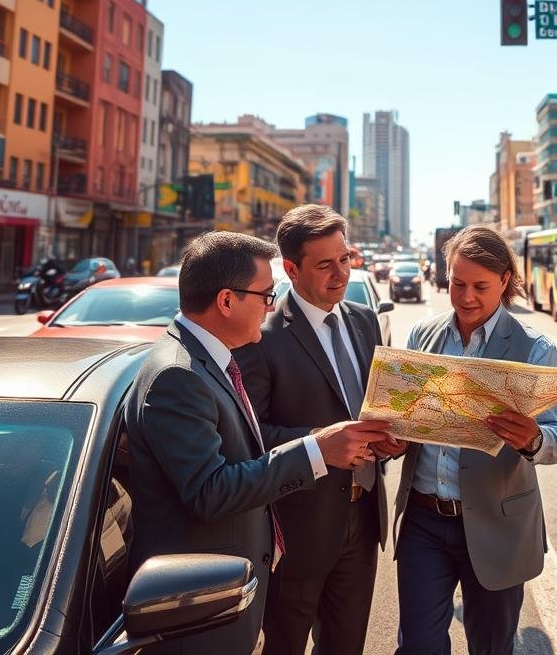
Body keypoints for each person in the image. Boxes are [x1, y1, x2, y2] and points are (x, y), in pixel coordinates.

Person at [125, 230, 390, 655]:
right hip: (200, 595)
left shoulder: (209, 358)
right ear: (227, 301)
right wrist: (316, 450)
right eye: (265, 295)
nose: (270, 307)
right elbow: (209, 492)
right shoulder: (178, 375)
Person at [392, 225, 557, 655]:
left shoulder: (535, 348)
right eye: (457, 283)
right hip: (424, 521)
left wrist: (533, 439)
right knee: (418, 645)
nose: (466, 297)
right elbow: (405, 418)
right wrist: (392, 435)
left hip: (498, 525)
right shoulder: (423, 336)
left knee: (491, 645)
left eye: (480, 286)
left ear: (505, 281)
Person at [234, 205, 404, 655]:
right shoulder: (263, 335)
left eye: (345, 259)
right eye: (325, 264)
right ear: (290, 268)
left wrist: (393, 440)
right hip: (298, 528)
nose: (341, 273)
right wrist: (319, 444)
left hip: (364, 518)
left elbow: (376, 409)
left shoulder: (366, 321)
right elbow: (250, 437)